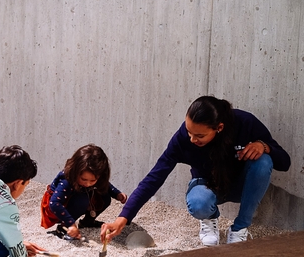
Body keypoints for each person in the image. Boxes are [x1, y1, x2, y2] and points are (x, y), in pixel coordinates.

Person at [101, 96, 291, 246]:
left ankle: (240, 229)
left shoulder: (244, 123)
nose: (192, 139)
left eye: (199, 135)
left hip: (243, 187)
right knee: (199, 202)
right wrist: (123, 217)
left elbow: (284, 162)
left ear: (219, 128)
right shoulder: (183, 138)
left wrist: (263, 146)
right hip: (208, 186)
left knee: (264, 161)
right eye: (189, 131)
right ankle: (209, 219)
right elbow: (155, 177)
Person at [40, 144, 127, 240]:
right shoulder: (66, 179)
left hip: (78, 197)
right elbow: (54, 203)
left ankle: (87, 222)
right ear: (76, 171)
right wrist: (71, 224)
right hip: (57, 206)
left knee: (104, 197)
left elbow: (105, 185)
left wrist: (117, 194)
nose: (88, 183)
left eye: (92, 181)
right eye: (83, 179)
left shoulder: (95, 178)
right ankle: (63, 228)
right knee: (82, 200)